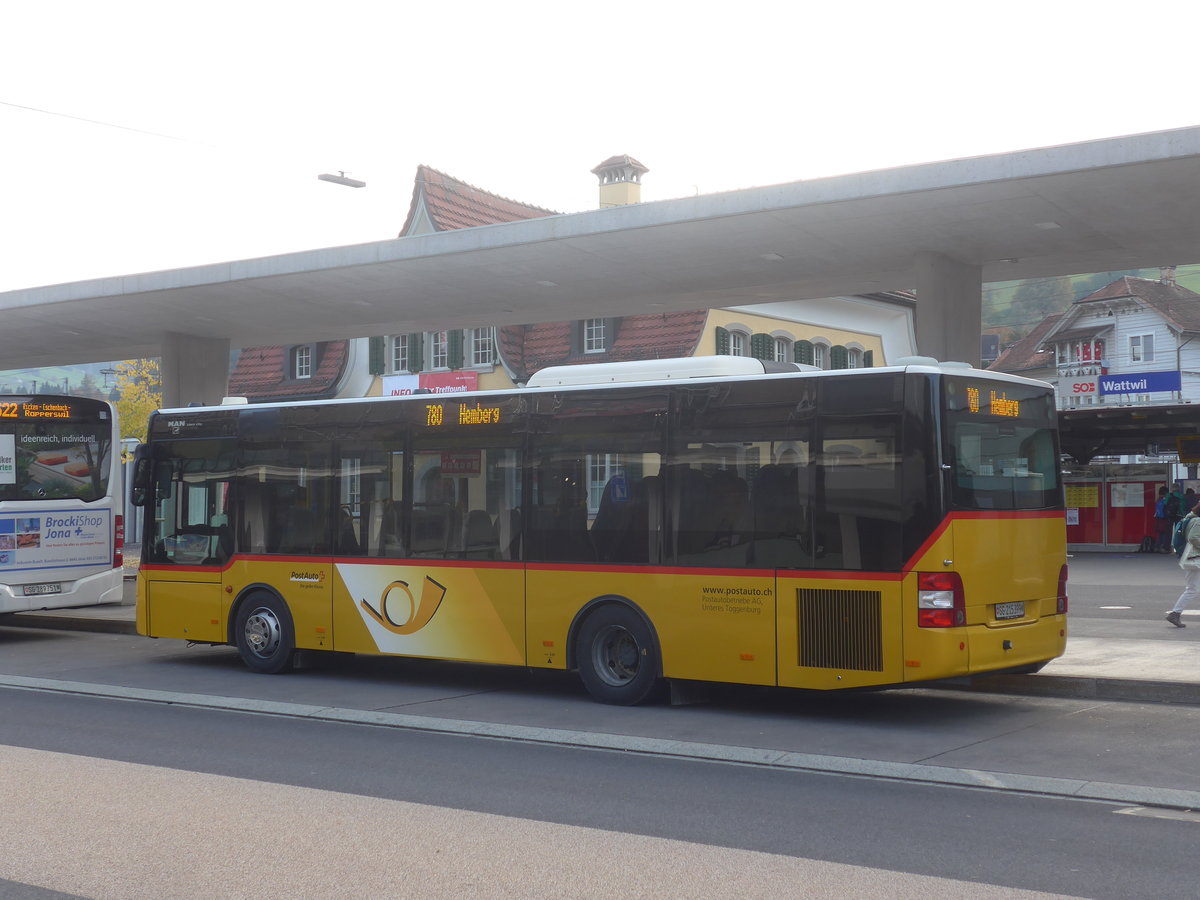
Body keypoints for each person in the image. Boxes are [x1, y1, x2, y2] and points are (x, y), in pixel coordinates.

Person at [1168, 501, 1200, 627]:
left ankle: (1175, 613)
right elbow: (1193, 538)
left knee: (1192, 588)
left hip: (1191, 557)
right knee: (1192, 589)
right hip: (1194, 558)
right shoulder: (1197, 521)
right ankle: (1175, 613)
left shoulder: (1189, 517)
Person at [1154, 486, 1171, 552]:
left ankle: (1157, 546)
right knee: (1164, 533)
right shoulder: (1164, 500)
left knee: (1160, 533)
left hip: (1158, 518)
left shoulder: (1158, 500)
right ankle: (1163, 547)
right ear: (1165, 493)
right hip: (1163, 518)